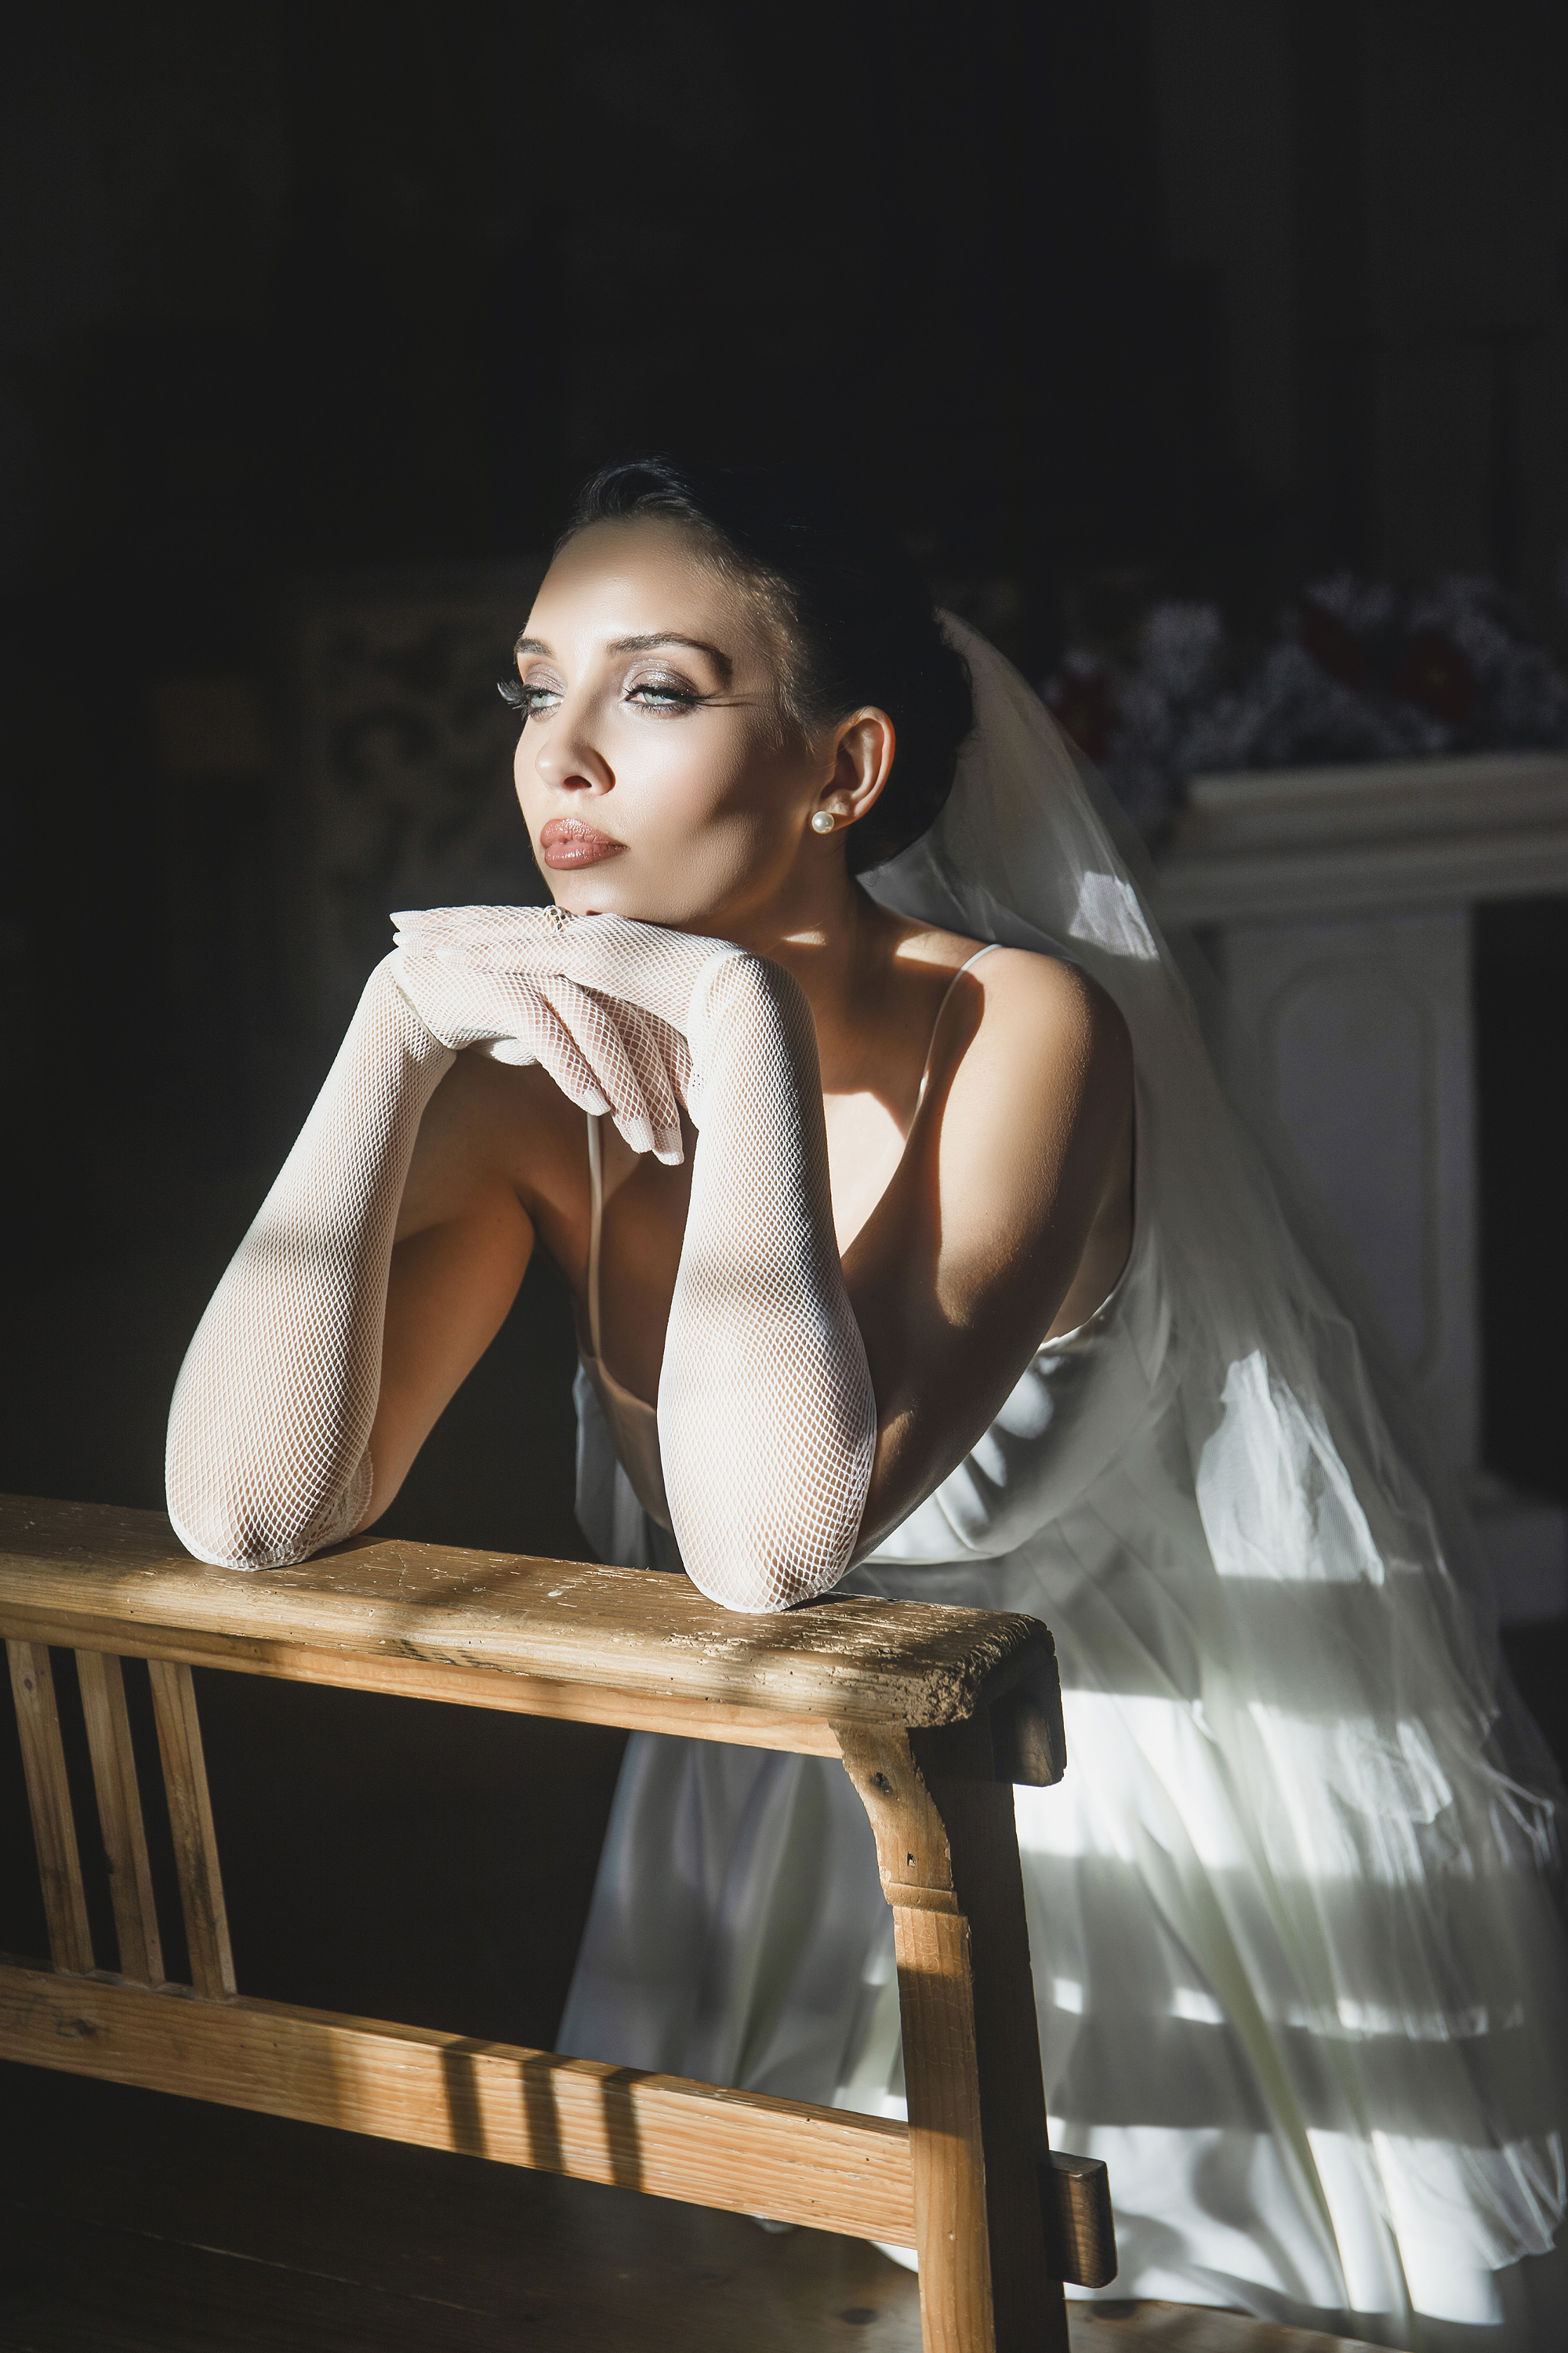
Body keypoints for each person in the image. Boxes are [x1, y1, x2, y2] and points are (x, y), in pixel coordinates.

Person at [167, 459, 1568, 2350]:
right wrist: (391, 1034)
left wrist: (732, 1021)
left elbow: (769, 1541)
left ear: (844, 770)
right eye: (531, 687)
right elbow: (245, 1513)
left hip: (1089, 1842)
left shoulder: (1021, 1027)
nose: (558, 759)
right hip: (747, 1847)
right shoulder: (525, 1090)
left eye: (652, 690)